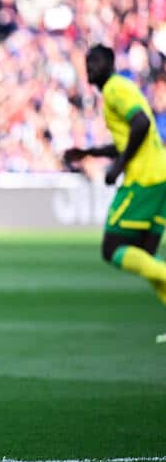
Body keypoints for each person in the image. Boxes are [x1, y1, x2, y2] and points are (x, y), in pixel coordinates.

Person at [64, 45, 166, 308]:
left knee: (112, 248)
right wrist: (90, 152)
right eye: (88, 62)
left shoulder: (114, 89)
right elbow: (129, 137)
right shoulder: (121, 88)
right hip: (159, 174)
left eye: (96, 62)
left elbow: (141, 123)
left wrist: (120, 165)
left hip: (145, 178)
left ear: (110, 64)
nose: (90, 67)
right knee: (144, 257)